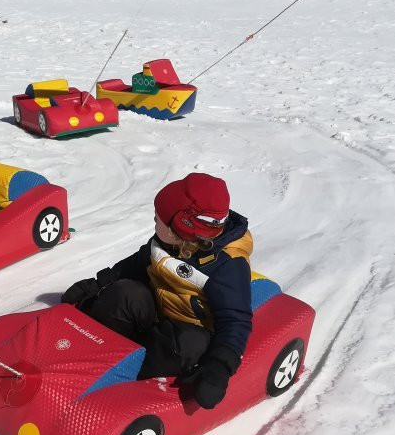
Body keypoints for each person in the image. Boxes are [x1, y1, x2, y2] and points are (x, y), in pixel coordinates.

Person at [61, 172, 253, 409]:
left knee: (189, 343)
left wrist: (218, 368)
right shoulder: (168, 241)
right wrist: (97, 284)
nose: (154, 222)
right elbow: (137, 263)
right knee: (125, 293)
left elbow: (236, 321)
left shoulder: (227, 266)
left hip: (190, 331)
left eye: (157, 220)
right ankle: (96, 350)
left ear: (179, 229)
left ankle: (127, 376)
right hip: (160, 313)